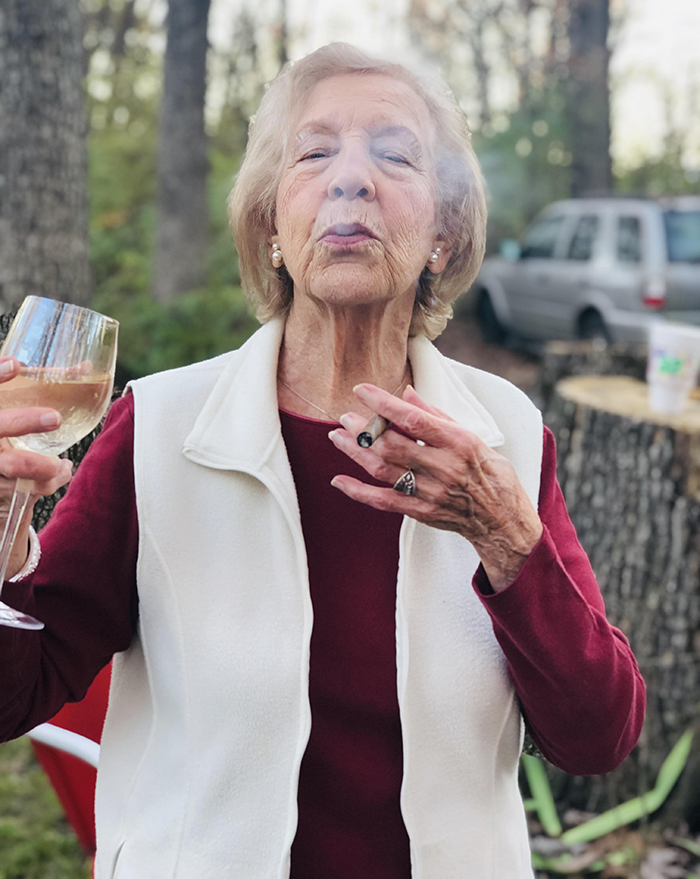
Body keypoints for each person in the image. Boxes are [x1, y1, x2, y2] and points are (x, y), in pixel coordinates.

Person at [0, 43, 644, 879]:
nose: (350, 179)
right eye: (314, 152)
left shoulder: (505, 437)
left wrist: (508, 535)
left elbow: (598, 737)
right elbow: (18, 694)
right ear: (273, 227)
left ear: (442, 236)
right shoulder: (158, 426)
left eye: (394, 154)